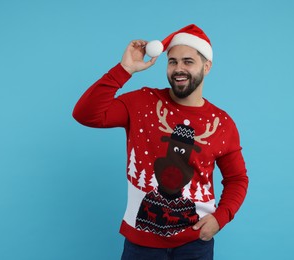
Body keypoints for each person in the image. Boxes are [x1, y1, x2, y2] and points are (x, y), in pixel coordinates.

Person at [73, 24, 248, 260]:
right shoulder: (142, 101)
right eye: (173, 61)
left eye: (188, 61)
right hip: (141, 244)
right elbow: (85, 114)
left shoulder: (222, 123)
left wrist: (221, 217)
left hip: (195, 244)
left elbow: (237, 178)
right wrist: (124, 69)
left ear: (206, 67)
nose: (179, 69)